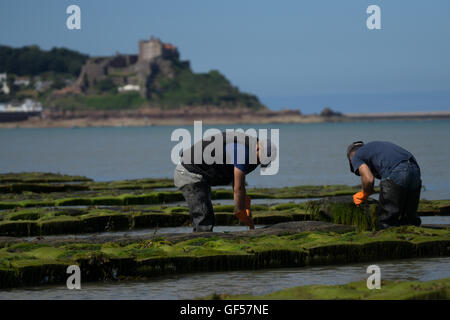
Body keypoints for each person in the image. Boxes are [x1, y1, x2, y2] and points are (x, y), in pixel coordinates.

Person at [174, 131, 277, 232]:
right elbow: (238, 188)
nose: (258, 163)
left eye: (261, 163)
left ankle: (200, 243)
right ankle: (199, 245)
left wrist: (245, 207)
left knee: (207, 216)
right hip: (189, 172)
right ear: (258, 148)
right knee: (203, 219)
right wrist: (240, 210)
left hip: (199, 174)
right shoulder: (243, 151)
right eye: (260, 160)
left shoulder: (250, 147)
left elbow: (238, 183)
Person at [347, 141, 422, 229]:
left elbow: (368, 179)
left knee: (386, 220)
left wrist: (364, 194)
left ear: (351, 158)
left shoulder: (356, 156)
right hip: (415, 170)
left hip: (397, 170)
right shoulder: (374, 148)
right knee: (409, 219)